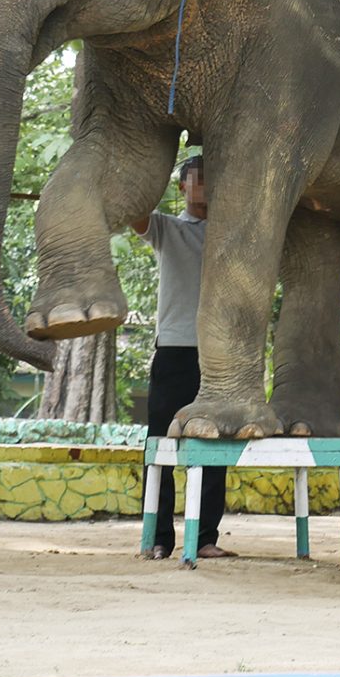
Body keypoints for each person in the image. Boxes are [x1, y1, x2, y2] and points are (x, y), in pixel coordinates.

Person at [132, 156, 235, 561]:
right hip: (174, 350)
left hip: (222, 355)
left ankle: (205, 539)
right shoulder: (166, 228)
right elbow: (134, 211)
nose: (208, 187)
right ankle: (158, 539)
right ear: (183, 187)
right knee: (160, 446)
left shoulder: (234, 234)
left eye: (215, 179)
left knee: (216, 449)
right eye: (201, 180)